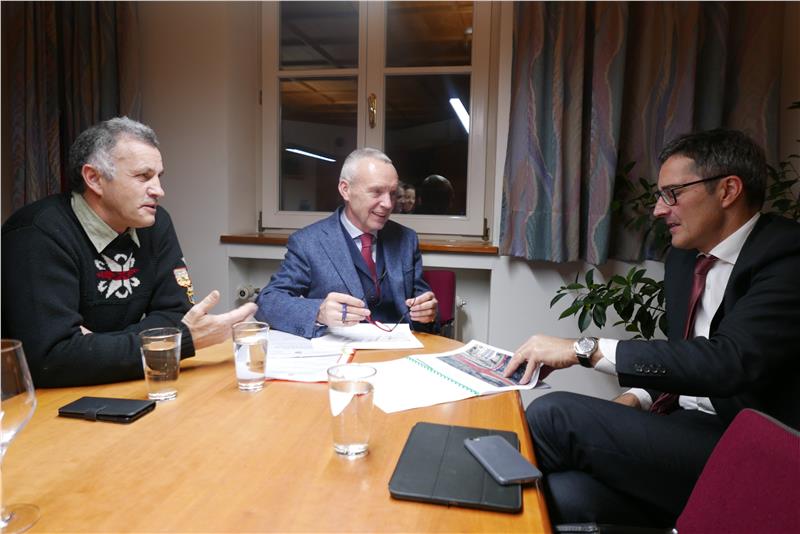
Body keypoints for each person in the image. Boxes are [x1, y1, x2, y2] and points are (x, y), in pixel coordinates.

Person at [503, 129, 800, 528]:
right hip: (685, 429)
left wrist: (583, 348)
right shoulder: (684, 261)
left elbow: (729, 362)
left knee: (553, 415)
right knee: (566, 494)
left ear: (728, 190)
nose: (659, 209)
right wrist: (639, 397)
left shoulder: (788, 256)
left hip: (754, 452)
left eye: (672, 194)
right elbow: (687, 358)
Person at [1, 117, 257, 388]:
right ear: (94, 179)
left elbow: (175, 314)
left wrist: (95, 345)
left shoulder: (156, 223)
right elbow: (52, 360)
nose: (159, 190)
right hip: (37, 398)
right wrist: (180, 340)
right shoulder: (37, 233)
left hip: (122, 383)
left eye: (158, 177)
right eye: (143, 177)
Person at [255, 147, 438, 338]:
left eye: (392, 193)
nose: (388, 204)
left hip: (401, 349)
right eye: (376, 192)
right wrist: (318, 311)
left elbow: (426, 312)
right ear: (345, 190)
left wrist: (428, 313)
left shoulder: (407, 239)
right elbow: (267, 302)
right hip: (339, 352)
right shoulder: (307, 242)